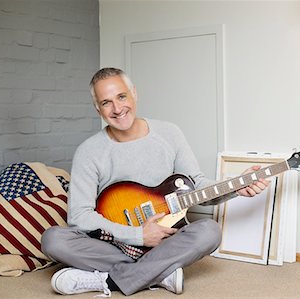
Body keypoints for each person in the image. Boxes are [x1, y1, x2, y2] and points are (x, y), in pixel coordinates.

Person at [41, 67, 269, 297]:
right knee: (53, 240)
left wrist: (237, 186)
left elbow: (195, 183)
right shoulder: (88, 152)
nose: (118, 109)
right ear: (97, 108)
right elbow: (79, 216)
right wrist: (138, 235)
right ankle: (160, 273)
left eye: (121, 97)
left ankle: (109, 281)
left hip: (166, 239)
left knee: (209, 231)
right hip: (112, 243)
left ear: (134, 93)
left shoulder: (169, 133)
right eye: (106, 102)